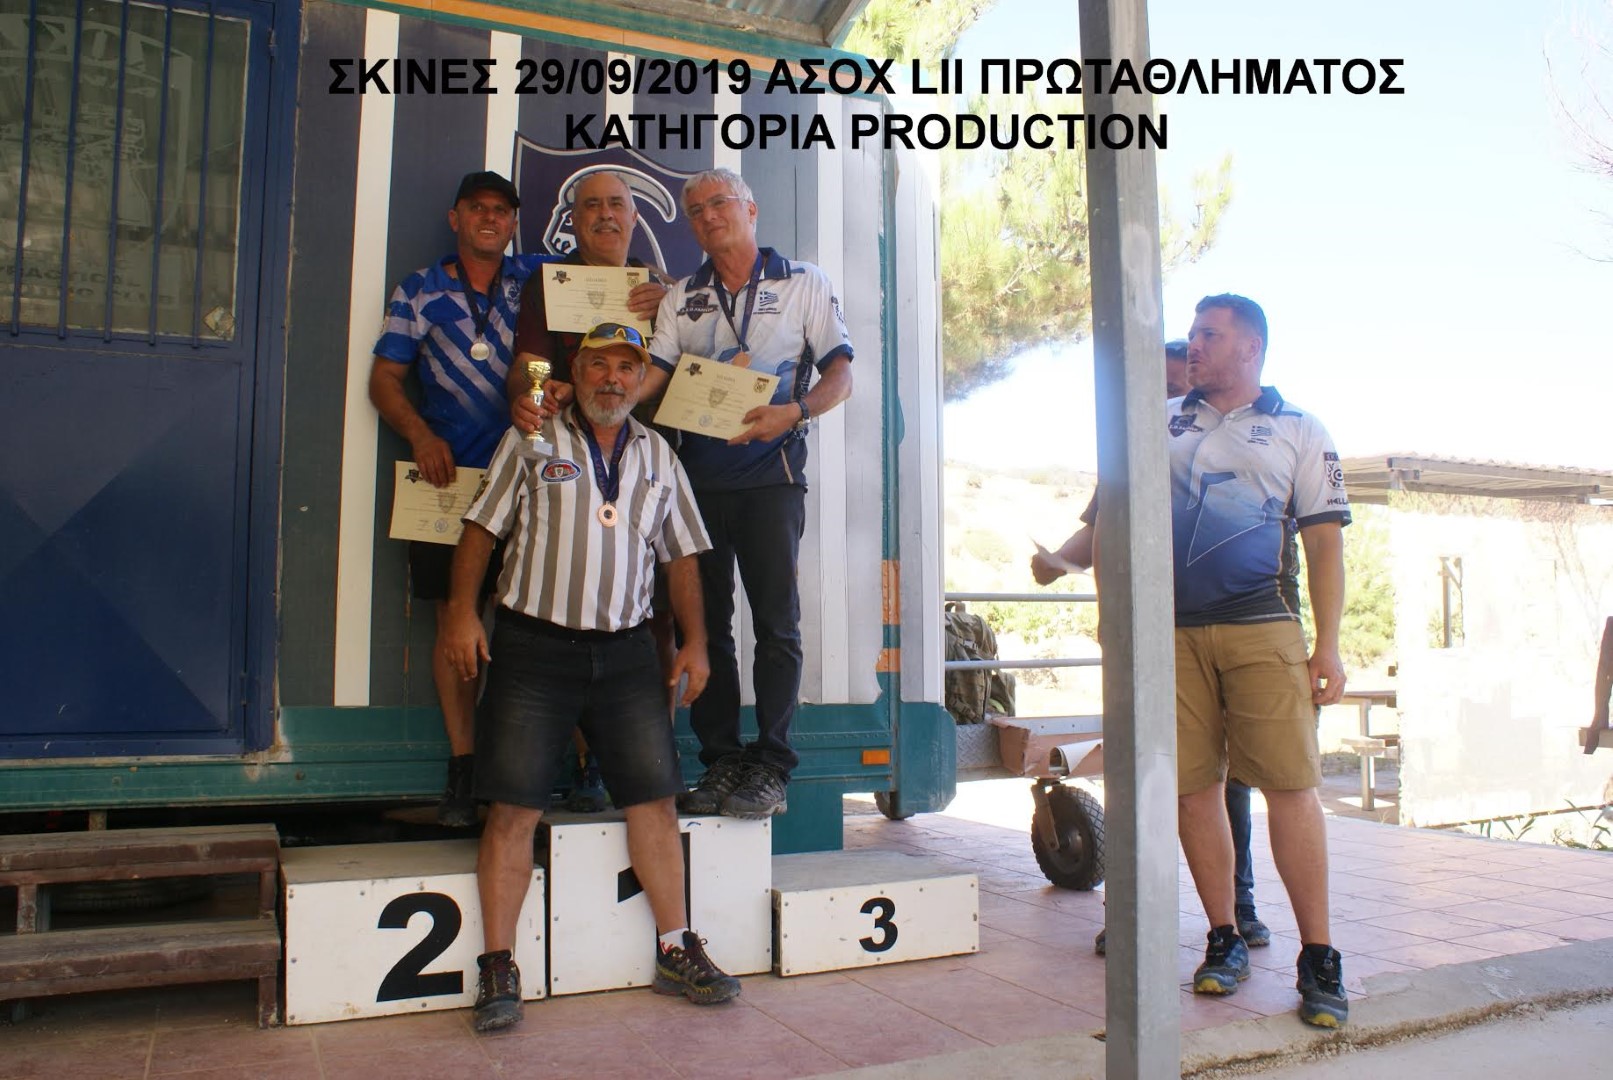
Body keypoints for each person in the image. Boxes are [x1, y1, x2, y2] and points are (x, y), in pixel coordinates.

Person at [441, 323, 740, 1033]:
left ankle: (676, 948)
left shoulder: (660, 455)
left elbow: (682, 557)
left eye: (626, 368)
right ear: (576, 372)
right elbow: (480, 530)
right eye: (599, 364)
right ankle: (498, 965)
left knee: (654, 802)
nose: (612, 379)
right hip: (532, 649)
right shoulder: (532, 437)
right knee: (513, 810)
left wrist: (696, 643)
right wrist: (461, 614)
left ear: (641, 380)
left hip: (628, 655)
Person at [1040, 342, 1272, 957]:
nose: (1172, 400)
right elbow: (1099, 528)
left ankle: (1239, 910)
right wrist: (1057, 562)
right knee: (1138, 773)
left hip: (1221, 630)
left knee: (1225, 781)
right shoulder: (1135, 446)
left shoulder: (1242, 445)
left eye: (1179, 387)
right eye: (1163, 390)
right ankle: (1131, 911)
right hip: (1145, 641)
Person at [636, 168, 855, 820]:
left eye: (719, 203)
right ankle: (722, 760)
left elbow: (840, 374)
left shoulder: (803, 282)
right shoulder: (683, 296)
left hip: (771, 479)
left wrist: (794, 412)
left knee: (776, 626)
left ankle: (772, 764)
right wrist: (602, 398)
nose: (708, 216)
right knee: (705, 628)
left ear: (750, 209)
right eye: (695, 210)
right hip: (697, 486)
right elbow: (655, 374)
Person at [1169, 294, 1350, 1028]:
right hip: (1170, 636)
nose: (1193, 346)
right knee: (1192, 791)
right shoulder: (1161, 423)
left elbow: (1325, 543)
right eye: (1192, 334)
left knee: (1290, 788)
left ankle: (1319, 956)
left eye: (1209, 335)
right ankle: (1224, 937)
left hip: (1262, 628)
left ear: (1250, 347)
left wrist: (1327, 644)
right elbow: (1113, 519)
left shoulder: (1300, 428)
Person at [369, 170, 541, 828]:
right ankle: (465, 770)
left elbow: (606, 282)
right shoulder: (419, 288)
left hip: (529, 480)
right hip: (449, 483)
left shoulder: (536, 278)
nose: (490, 219)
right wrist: (420, 435)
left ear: (513, 222)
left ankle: (523, 769)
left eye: (501, 210)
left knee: (534, 626)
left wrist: (649, 283)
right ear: (456, 217)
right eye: (478, 208)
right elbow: (384, 379)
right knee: (455, 623)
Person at [507, 168, 674, 812]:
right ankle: (586, 763)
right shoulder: (550, 284)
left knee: (654, 617)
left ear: (634, 217)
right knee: (574, 608)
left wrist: (668, 306)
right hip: (568, 462)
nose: (605, 215)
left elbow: (684, 365)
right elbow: (531, 362)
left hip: (645, 467)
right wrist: (541, 388)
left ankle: (647, 763)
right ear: (572, 220)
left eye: (616, 205)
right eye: (591, 206)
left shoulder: (662, 289)